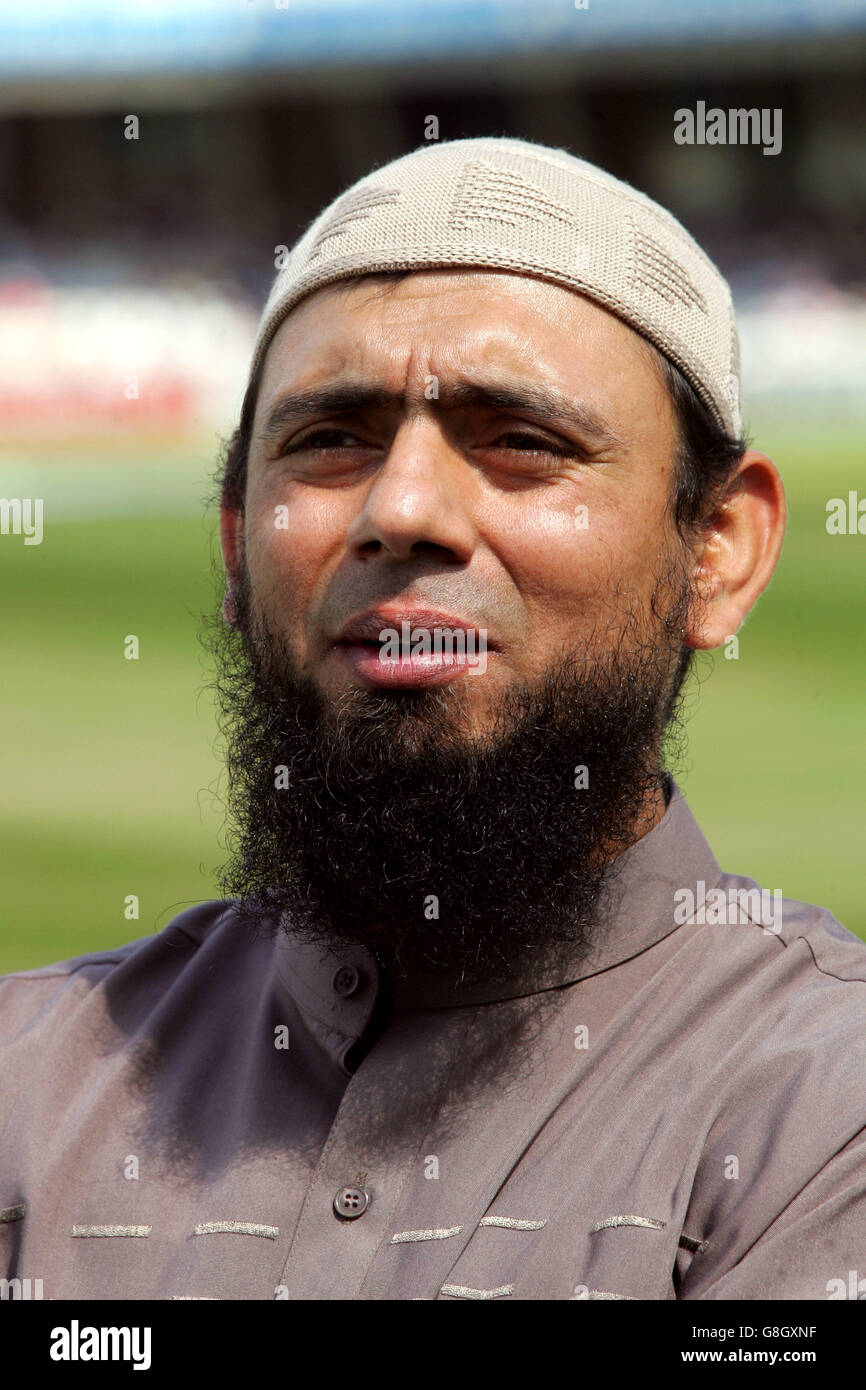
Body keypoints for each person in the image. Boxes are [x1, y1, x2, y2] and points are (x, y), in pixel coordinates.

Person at [2, 137, 864, 1302]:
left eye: (521, 440)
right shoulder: (31, 1082)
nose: (399, 508)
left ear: (715, 551)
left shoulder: (822, 1108)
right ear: (232, 544)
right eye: (329, 440)